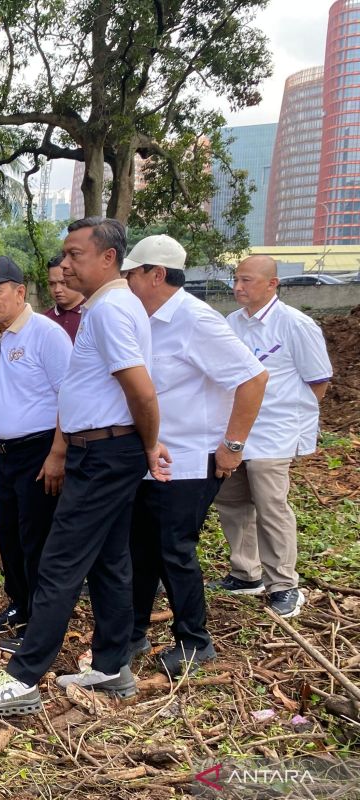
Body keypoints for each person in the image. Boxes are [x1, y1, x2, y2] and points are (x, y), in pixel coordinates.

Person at [0, 217, 169, 716]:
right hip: (106, 448)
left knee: (59, 561)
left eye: (75, 254)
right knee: (109, 559)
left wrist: (149, 443)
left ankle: (23, 678)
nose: (65, 264)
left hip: (102, 451)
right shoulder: (110, 307)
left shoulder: (110, 312)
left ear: (108, 258)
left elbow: (140, 389)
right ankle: (113, 667)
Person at [121, 235, 268, 675]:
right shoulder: (144, 319)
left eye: (132, 273)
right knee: (141, 548)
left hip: (189, 459)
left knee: (173, 549)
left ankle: (194, 641)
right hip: (153, 457)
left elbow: (253, 378)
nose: (126, 280)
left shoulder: (194, 320)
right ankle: (134, 633)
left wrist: (232, 445)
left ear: (156, 275)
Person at [0, 256, 72, 650]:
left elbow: (69, 397)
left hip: (40, 450)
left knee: (36, 537)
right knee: (8, 533)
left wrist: (57, 454)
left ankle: (41, 622)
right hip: (5, 454)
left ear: (20, 292)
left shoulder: (47, 335)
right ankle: (19, 606)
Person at [210, 255, 333, 618]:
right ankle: (247, 573)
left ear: (271, 284)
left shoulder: (296, 324)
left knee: (270, 503)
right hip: (238, 429)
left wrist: (291, 417)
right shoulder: (232, 323)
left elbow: (319, 381)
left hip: (276, 431)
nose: (238, 287)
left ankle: (284, 583)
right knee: (232, 499)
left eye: (247, 280)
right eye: (236, 279)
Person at [44, 254, 85, 342]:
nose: (57, 290)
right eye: (52, 284)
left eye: (63, 283)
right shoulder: (44, 320)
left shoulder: (94, 314)